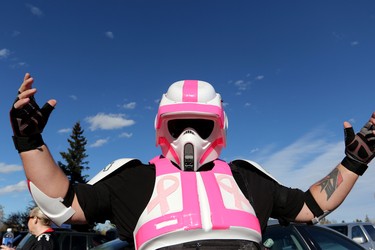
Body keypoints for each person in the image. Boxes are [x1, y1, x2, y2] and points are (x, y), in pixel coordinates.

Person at [9, 73, 375, 250]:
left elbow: (312, 206)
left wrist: (355, 161)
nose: (189, 136)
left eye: (200, 125)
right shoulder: (136, 179)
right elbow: (63, 204)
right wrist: (29, 141)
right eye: (178, 124)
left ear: (218, 127)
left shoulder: (246, 179)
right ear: (161, 126)